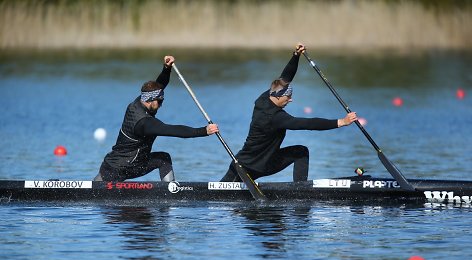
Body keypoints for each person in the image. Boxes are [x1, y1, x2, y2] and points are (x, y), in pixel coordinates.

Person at [220, 43, 357, 183]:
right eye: (288, 97)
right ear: (279, 96)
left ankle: (299, 188)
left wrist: (296, 55)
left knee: (300, 151)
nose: (290, 100)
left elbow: (285, 77)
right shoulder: (276, 118)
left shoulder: (264, 98)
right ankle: (300, 190)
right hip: (249, 167)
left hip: (253, 163)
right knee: (301, 152)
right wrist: (341, 122)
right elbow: (308, 123)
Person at [95, 56, 219, 182]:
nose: (161, 105)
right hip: (121, 169)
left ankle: (170, 189)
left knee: (163, 158)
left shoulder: (139, 101)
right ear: (149, 100)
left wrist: (167, 68)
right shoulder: (145, 122)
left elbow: (160, 85)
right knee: (162, 159)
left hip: (114, 165)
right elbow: (173, 130)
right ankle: (170, 193)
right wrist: (204, 131)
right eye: (159, 101)